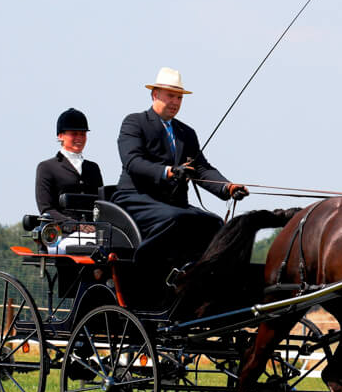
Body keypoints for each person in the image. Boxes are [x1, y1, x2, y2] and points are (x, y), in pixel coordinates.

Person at [112, 67, 248, 272]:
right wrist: (168, 171)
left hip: (173, 204)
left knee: (214, 223)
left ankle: (198, 274)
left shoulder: (186, 132)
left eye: (179, 97)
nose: (175, 102)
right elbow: (133, 161)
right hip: (136, 198)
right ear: (155, 94)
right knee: (177, 219)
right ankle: (142, 266)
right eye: (170, 96)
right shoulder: (135, 122)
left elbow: (201, 169)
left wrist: (227, 187)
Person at [35, 107, 104, 252]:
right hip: (62, 234)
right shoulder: (47, 168)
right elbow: (46, 208)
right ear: (60, 136)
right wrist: (76, 225)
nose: (79, 138)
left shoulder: (93, 168)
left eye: (83, 134)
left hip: (93, 232)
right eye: (74, 134)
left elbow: (101, 204)